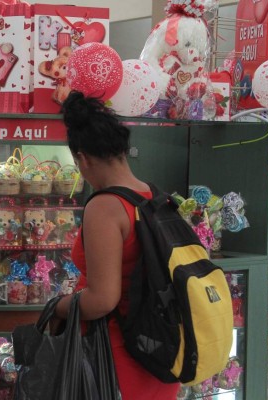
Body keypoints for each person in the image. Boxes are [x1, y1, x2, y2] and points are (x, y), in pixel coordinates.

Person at [52, 92, 180, 399]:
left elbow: (103, 299)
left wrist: (56, 307)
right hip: (160, 352)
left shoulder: (106, 206)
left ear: (82, 158)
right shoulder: (154, 196)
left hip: (116, 358)